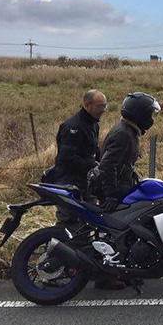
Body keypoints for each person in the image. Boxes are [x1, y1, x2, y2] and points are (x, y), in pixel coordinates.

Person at [96, 92, 160, 212]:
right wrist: (111, 195)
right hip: (115, 192)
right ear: (139, 115)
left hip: (122, 187)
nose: (151, 120)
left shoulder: (128, 129)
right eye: (148, 115)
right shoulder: (124, 134)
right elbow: (107, 165)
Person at [52, 90, 106, 227]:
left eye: (105, 106)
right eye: (100, 106)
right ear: (87, 105)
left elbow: (93, 150)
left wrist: (102, 163)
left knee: (90, 218)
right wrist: (92, 164)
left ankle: (84, 246)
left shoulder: (94, 124)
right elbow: (66, 158)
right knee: (68, 220)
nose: (103, 110)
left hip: (86, 181)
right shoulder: (72, 126)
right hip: (68, 181)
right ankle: (57, 245)